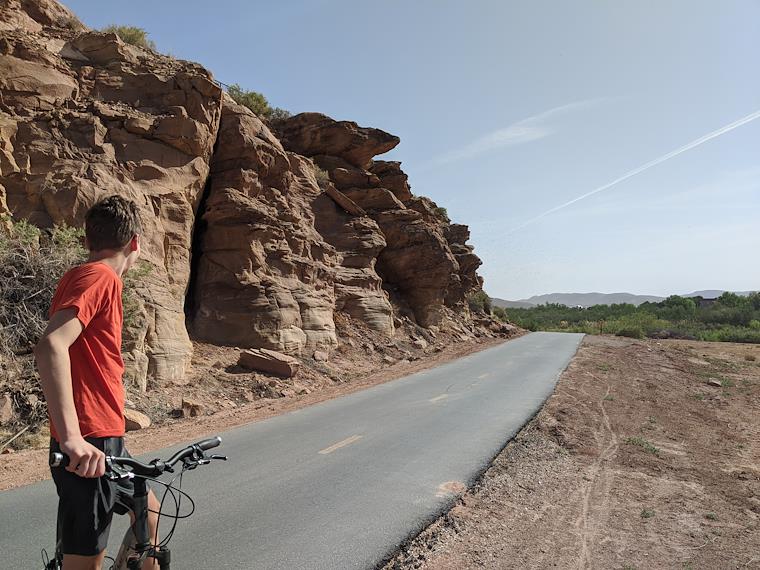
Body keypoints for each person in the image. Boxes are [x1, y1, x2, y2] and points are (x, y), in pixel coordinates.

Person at [35, 196, 160, 570]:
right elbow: (51, 345)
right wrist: (72, 438)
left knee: (149, 511)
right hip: (89, 443)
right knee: (84, 561)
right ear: (134, 242)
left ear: (88, 239)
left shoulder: (88, 276)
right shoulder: (100, 277)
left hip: (105, 436)